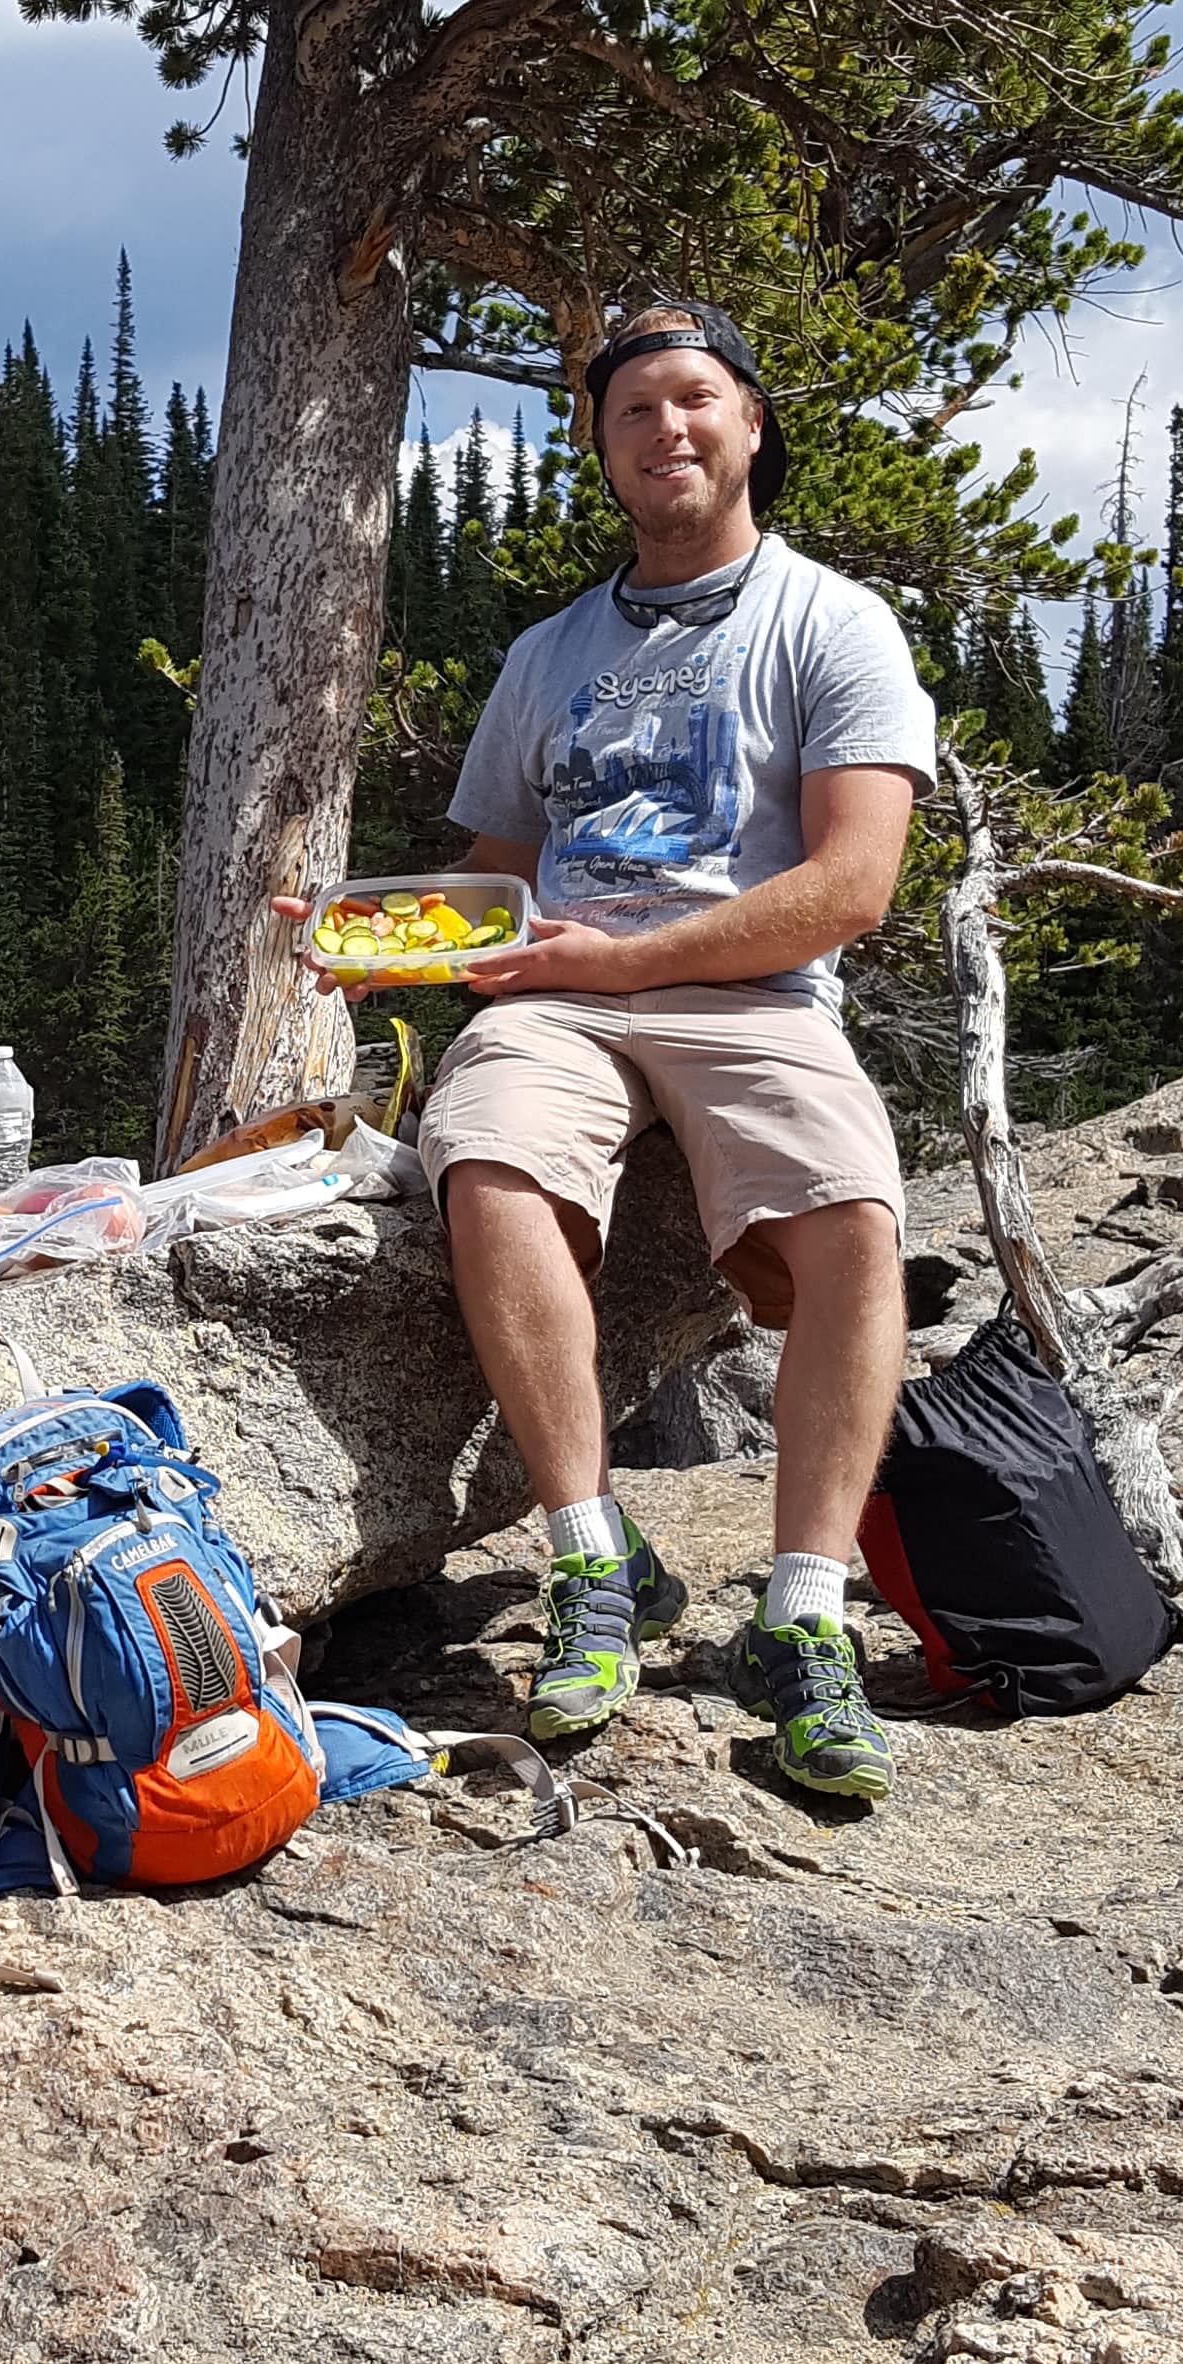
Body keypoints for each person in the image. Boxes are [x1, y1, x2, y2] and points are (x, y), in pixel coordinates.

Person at [401, 296, 936, 1804]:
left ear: (752, 424)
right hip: (562, 1002)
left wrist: (630, 959)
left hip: (753, 993)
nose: (667, 429)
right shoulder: (547, 653)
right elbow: (497, 878)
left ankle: (803, 1615)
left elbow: (853, 885)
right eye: (633, 409)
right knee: (489, 1161)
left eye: (696, 398)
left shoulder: (831, 623)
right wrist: (382, 935)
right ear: (602, 446)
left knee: (852, 1216)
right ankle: (591, 1559)